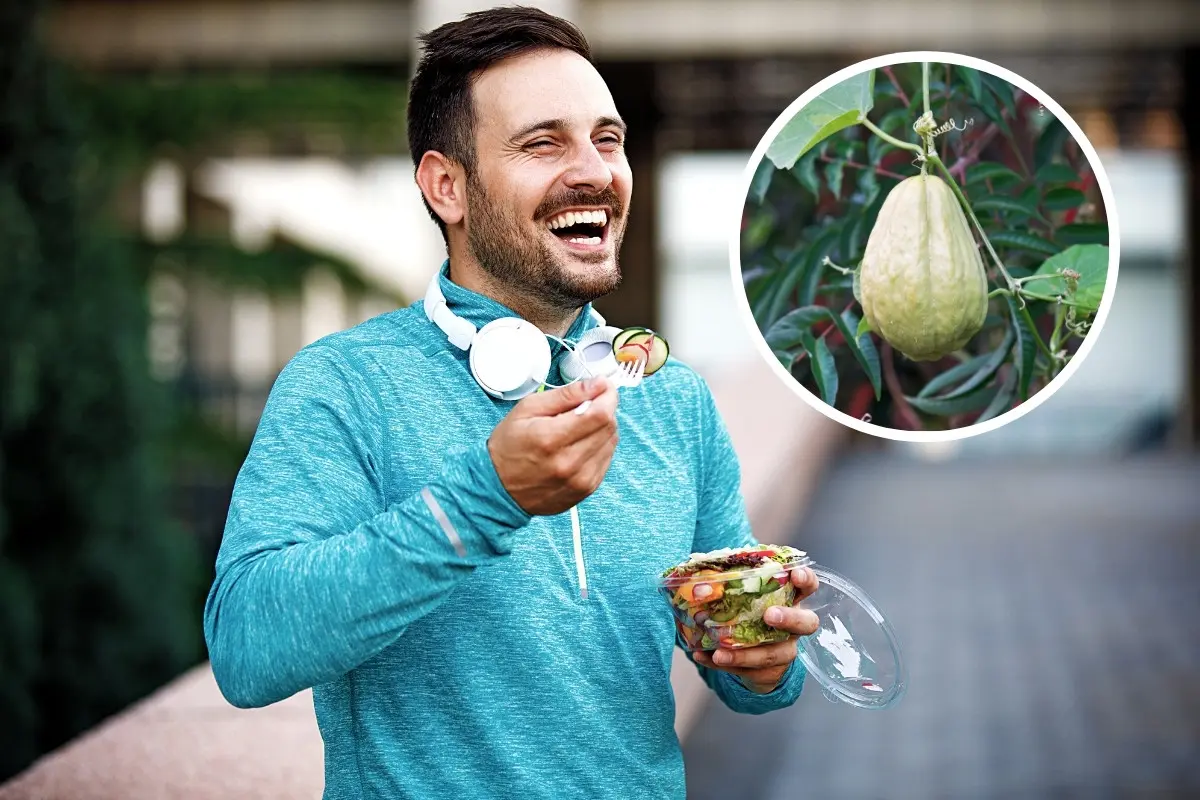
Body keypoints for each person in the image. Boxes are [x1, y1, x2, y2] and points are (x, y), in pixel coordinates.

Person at [203, 7, 820, 799]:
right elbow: (247, 648)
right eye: (543, 143)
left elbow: (747, 671)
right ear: (446, 186)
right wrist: (487, 499)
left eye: (608, 138)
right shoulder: (343, 386)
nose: (596, 170)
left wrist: (762, 663)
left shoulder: (673, 398)